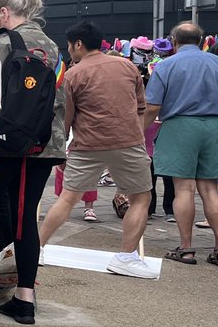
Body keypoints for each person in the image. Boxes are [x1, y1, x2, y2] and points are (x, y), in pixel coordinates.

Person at [37, 20, 155, 280]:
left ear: (78, 44)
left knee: (67, 198)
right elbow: (140, 107)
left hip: (87, 144)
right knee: (140, 198)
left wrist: (62, 150)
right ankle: (125, 257)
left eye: (69, 46)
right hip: (128, 142)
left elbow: (67, 117)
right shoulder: (127, 66)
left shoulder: (73, 74)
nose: (69, 51)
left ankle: (38, 248)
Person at [0, 0, 67, 323]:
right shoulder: (53, 46)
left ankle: (25, 296)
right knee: (23, 213)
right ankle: (19, 288)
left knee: (6, 212)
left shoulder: (3, 44)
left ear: (4, 13)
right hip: (45, 144)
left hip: (9, 143)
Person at [142, 21, 218, 265]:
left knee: (184, 189)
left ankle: (186, 248)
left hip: (179, 127)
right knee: (210, 189)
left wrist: (139, 131)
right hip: (215, 126)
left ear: (174, 41)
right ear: (201, 41)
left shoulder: (166, 65)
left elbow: (153, 106)